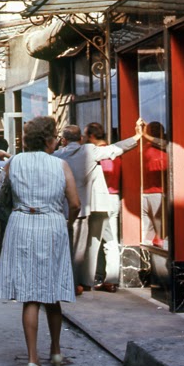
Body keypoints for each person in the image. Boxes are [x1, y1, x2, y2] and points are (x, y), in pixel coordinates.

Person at [0, 116, 81, 366]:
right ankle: (55, 351)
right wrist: (67, 223)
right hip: (52, 224)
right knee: (51, 292)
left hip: (21, 224)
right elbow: (75, 204)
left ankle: (32, 359)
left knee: (30, 295)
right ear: (48, 140)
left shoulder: (13, 162)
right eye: (54, 136)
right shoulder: (61, 165)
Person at [54, 123, 140, 293]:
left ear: (63, 140)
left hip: (64, 206)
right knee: (86, 246)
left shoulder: (57, 155)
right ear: (80, 139)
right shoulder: (89, 151)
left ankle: (71, 282)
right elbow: (116, 148)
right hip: (89, 204)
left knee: (69, 245)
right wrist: (137, 137)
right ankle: (81, 282)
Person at [83, 122, 138, 292]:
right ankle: (110, 277)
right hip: (115, 197)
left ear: (91, 136)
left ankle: (94, 278)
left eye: (86, 135)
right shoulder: (114, 155)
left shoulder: (98, 155)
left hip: (101, 201)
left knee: (97, 240)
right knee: (110, 239)